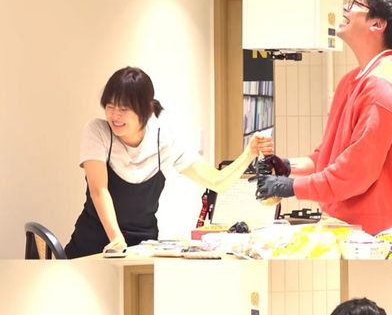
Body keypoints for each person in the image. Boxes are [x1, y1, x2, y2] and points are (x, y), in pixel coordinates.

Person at [256, 0, 392, 234]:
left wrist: (289, 187)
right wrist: (288, 166)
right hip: (349, 227)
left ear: (377, 24)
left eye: (355, 2)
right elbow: (329, 157)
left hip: (373, 235)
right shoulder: (354, 81)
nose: (344, 7)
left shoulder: (381, 86)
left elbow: (354, 173)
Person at [65, 66, 272, 257]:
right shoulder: (98, 131)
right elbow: (99, 189)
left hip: (141, 247)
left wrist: (249, 153)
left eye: (124, 109)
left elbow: (217, 182)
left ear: (145, 109)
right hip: (91, 245)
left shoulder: (163, 140)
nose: (115, 116)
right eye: (110, 106)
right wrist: (117, 240)